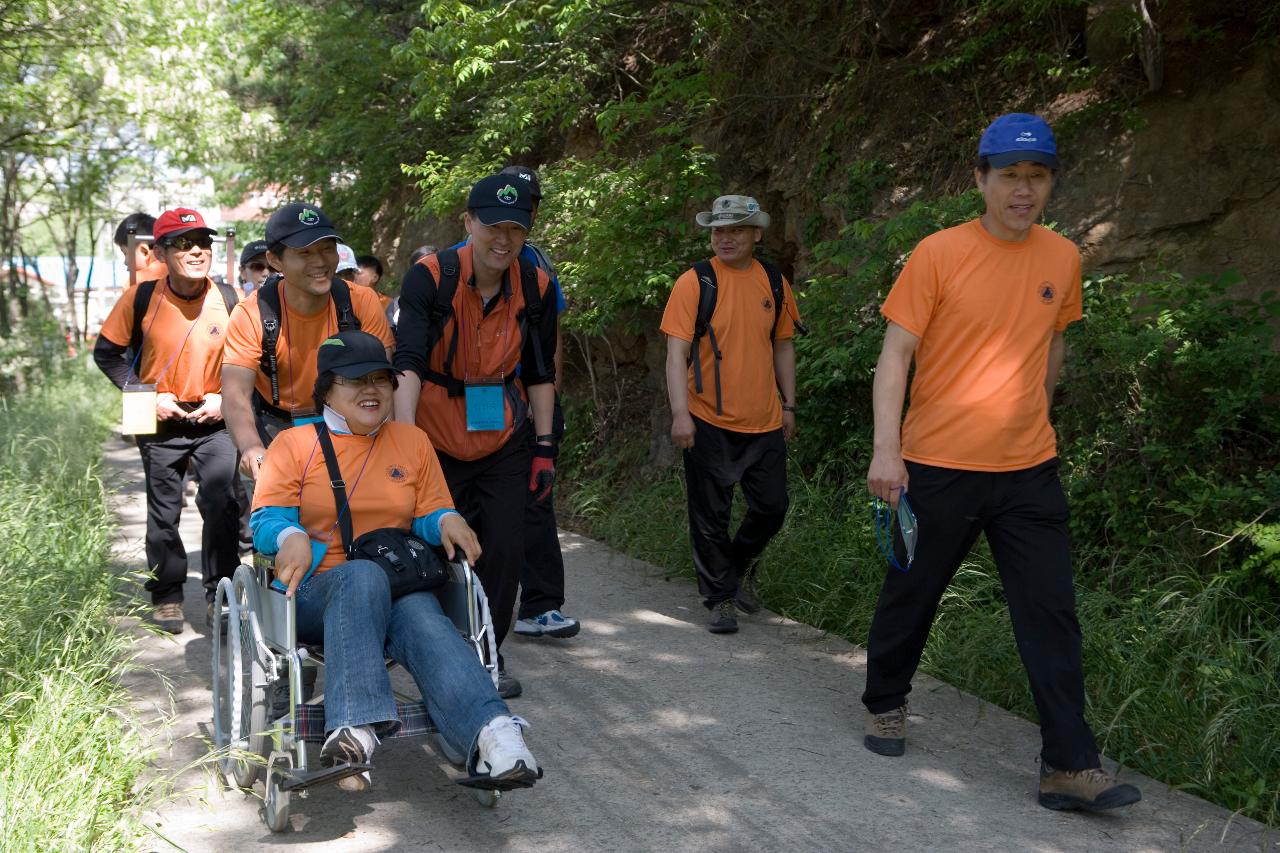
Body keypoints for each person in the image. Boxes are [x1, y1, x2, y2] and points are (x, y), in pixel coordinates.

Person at [861, 113, 1141, 813]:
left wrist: (1037, 416)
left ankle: (1068, 766)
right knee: (911, 593)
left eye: (1037, 176)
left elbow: (1051, 345)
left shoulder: (1062, 257)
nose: (1023, 190)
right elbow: (895, 354)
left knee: (1051, 611)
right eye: (1010, 176)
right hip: (936, 462)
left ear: (1050, 183)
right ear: (981, 179)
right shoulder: (937, 253)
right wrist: (886, 450)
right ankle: (885, 700)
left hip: (1027, 469)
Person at [251, 330, 541, 791]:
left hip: (395, 587)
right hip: (312, 596)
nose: (372, 390)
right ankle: (355, 725)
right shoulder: (294, 444)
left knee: (423, 615)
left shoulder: (412, 441)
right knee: (363, 576)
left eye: (382, 380)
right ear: (327, 389)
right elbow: (266, 519)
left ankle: (496, 738)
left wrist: (446, 520)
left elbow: (430, 509)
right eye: (356, 381)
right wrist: (289, 535)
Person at [393, 174, 558, 699]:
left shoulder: (535, 285)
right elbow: (409, 365)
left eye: (516, 228)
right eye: (492, 226)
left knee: (506, 548)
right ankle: (438, 649)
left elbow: (539, 372)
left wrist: (545, 449)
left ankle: (486, 650)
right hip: (434, 435)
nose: (503, 239)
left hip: (504, 435)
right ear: (468, 223)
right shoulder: (431, 277)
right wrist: (402, 442)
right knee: (437, 547)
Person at [94, 208, 242, 633]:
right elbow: (107, 354)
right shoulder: (141, 297)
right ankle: (167, 595)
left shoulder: (229, 298)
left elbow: (246, 358)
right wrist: (148, 397)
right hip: (160, 419)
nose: (195, 250)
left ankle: (220, 592)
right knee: (164, 510)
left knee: (221, 501)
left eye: (202, 242)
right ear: (160, 251)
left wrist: (224, 396)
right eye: (182, 243)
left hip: (214, 417)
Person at [660, 195, 800, 635]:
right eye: (718, 230)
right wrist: (680, 414)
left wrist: (789, 404)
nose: (725, 237)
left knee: (772, 507)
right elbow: (676, 352)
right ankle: (719, 597)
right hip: (707, 419)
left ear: (756, 233)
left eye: (736, 229)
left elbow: (783, 345)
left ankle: (735, 569)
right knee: (710, 516)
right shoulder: (695, 282)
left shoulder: (774, 282)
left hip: (764, 420)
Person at [451, 166, 578, 640]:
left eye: (529, 205)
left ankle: (537, 605)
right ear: (474, 219)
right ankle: (467, 617)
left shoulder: (535, 266)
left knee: (532, 507)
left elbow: (549, 346)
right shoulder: (455, 267)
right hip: (463, 409)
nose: (507, 230)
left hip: (523, 407)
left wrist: (547, 411)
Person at [220, 203, 392, 482]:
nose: (320, 262)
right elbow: (235, 395)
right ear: (275, 260)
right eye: (305, 253)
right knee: (278, 522)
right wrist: (252, 448)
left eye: (327, 248)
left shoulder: (361, 302)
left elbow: (384, 384)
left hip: (350, 427)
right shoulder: (252, 313)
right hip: (277, 428)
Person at [113, 212, 168, 286]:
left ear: (144, 252)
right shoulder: (176, 272)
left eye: (125, 253)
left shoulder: (136, 282)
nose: (125, 262)